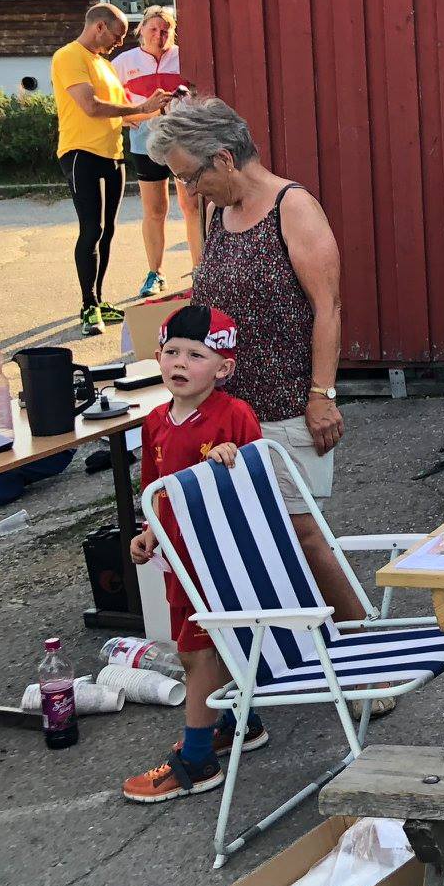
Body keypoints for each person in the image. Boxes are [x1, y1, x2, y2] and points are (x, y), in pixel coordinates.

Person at [146, 98, 370, 642]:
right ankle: (284, 650)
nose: (189, 191)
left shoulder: (293, 207)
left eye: (190, 176)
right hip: (224, 412)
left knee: (301, 532)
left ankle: (363, 641)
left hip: (285, 404)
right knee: (245, 537)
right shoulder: (216, 213)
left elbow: (328, 307)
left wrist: (321, 394)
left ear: (224, 159)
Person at [121, 304, 264, 803]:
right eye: (171, 352)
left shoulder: (234, 415)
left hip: (219, 559)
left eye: (195, 355)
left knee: (195, 651)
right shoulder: (155, 421)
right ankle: (237, 721)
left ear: (224, 368)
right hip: (177, 558)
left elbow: (260, 487)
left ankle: (198, 760)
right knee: (209, 644)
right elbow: (154, 489)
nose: (179, 362)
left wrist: (235, 461)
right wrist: (149, 531)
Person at [52, 2, 171, 334]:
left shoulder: (104, 65)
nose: (120, 42)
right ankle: (88, 306)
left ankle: (100, 299)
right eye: (118, 35)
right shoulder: (69, 56)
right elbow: (90, 106)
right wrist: (141, 106)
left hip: (112, 155)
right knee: (91, 229)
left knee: (107, 231)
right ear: (99, 27)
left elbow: (129, 114)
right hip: (81, 153)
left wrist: (158, 107)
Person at [111, 5, 203, 297]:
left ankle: (200, 271)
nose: (159, 36)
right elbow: (107, 99)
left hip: (183, 141)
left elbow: (201, 91)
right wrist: (124, 118)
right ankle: (155, 273)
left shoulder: (184, 58)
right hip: (145, 142)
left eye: (165, 31)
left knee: (191, 206)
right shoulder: (124, 62)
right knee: (155, 209)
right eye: (153, 29)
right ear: (141, 30)